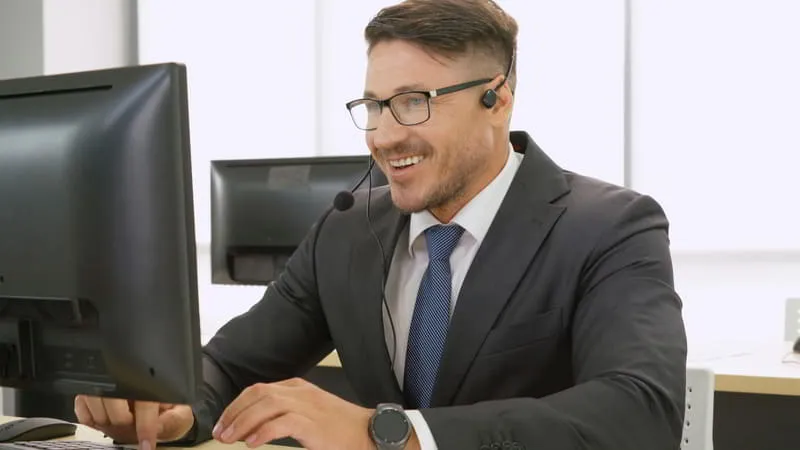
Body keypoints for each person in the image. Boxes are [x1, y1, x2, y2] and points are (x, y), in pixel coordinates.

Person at [75, 0, 688, 449]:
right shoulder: (346, 230)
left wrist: (390, 434)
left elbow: (639, 411)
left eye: (413, 102)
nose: (383, 135)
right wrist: (178, 407)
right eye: (372, 106)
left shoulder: (610, 226)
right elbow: (231, 364)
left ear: (496, 101)